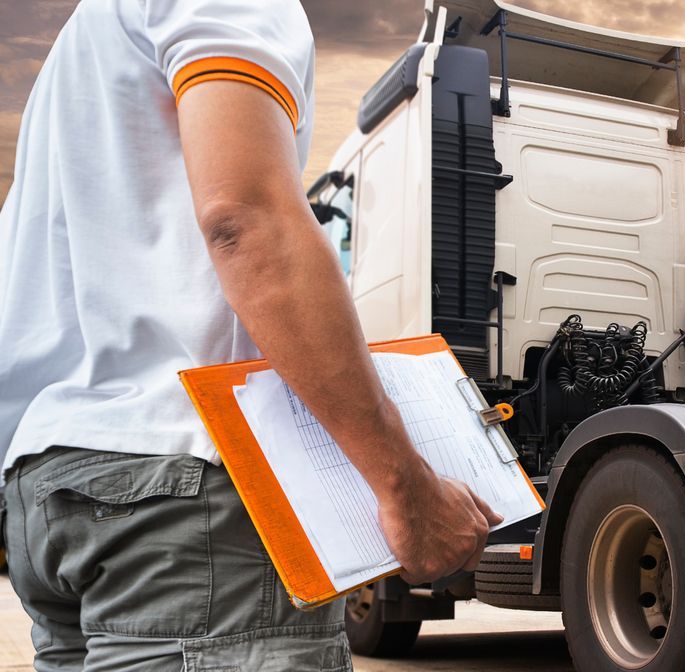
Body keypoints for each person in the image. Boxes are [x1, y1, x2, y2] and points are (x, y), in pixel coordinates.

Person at [0, 1, 500, 670]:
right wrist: (403, 483)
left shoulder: (77, 55)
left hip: (53, 488)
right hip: (187, 491)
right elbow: (246, 222)